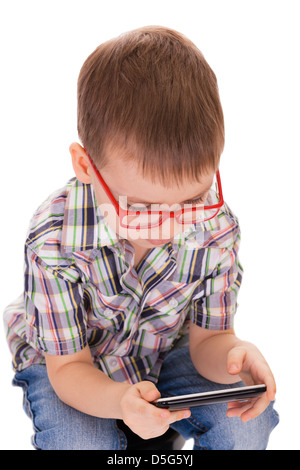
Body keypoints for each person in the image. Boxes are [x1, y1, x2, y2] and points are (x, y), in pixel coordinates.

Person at [3, 26, 279, 450]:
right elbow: (67, 368)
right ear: (87, 167)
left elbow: (210, 340)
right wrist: (120, 401)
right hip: (73, 366)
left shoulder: (216, 229)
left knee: (243, 424)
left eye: (192, 198)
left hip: (162, 352)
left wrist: (235, 357)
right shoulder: (54, 239)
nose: (172, 226)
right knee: (79, 442)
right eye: (145, 209)